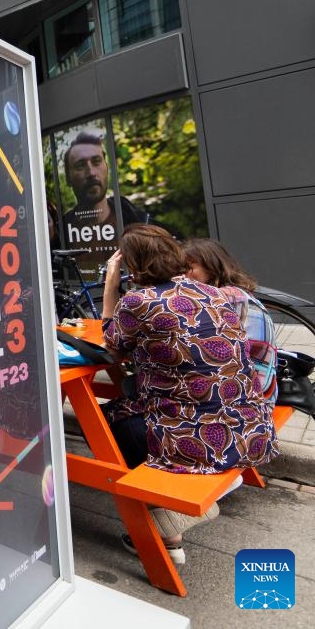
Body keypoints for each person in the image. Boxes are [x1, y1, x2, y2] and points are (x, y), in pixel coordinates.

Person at [101, 225, 279, 564]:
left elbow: (112, 343)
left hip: (202, 441)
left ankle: (171, 516)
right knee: (131, 405)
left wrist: (111, 284)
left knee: (110, 420)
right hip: (250, 427)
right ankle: (171, 524)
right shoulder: (213, 293)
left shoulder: (138, 301)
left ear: (133, 265)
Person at [183, 238, 277, 402]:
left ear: (212, 267)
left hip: (248, 398)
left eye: (189, 267)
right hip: (265, 390)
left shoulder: (223, 298)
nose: (183, 275)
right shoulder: (239, 293)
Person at [61, 130, 148, 267]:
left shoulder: (136, 219)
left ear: (106, 167)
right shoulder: (62, 232)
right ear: (68, 178)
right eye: (80, 165)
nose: (91, 173)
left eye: (96, 162)